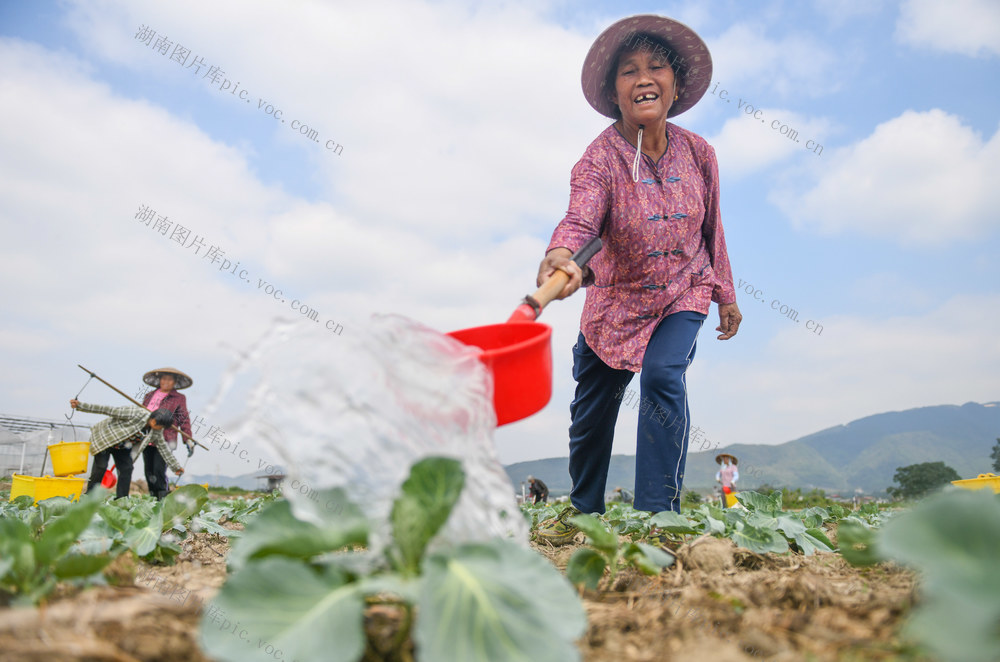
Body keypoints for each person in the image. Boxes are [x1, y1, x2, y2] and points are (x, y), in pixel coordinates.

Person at [535, 15, 741, 546]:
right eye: (629, 71)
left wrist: (725, 295)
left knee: (662, 378)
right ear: (614, 92)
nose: (643, 78)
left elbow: (712, 226)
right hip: (615, 304)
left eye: (655, 67)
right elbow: (580, 218)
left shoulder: (700, 154)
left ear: (674, 84)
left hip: (683, 289)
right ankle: (584, 511)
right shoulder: (598, 160)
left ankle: (658, 517)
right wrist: (563, 253)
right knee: (591, 415)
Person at [72, 399, 184, 498]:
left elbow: (164, 449)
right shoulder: (136, 413)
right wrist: (81, 406)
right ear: (154, 420)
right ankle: (89, 495)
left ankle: (122, 498)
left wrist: (176, 467)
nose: (161, 428)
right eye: (161, 425)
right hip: (107, 439)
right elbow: (108, 410)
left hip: (123, 447)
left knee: (127, 468)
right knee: (101, 466)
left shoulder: (156, 432)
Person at [141, 367, 194, 500]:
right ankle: (152, 499)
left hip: (166, 438)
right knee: (149, 471)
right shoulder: (149, 396)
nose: (166, 382)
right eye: (164, 379)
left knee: (159, 470)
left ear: (174, 382)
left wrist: (187, 438)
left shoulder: (179, 398)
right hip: (147, 437)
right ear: (159, 380)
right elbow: (140, 415)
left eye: (170, 380)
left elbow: (184, 419)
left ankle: (162, 498)